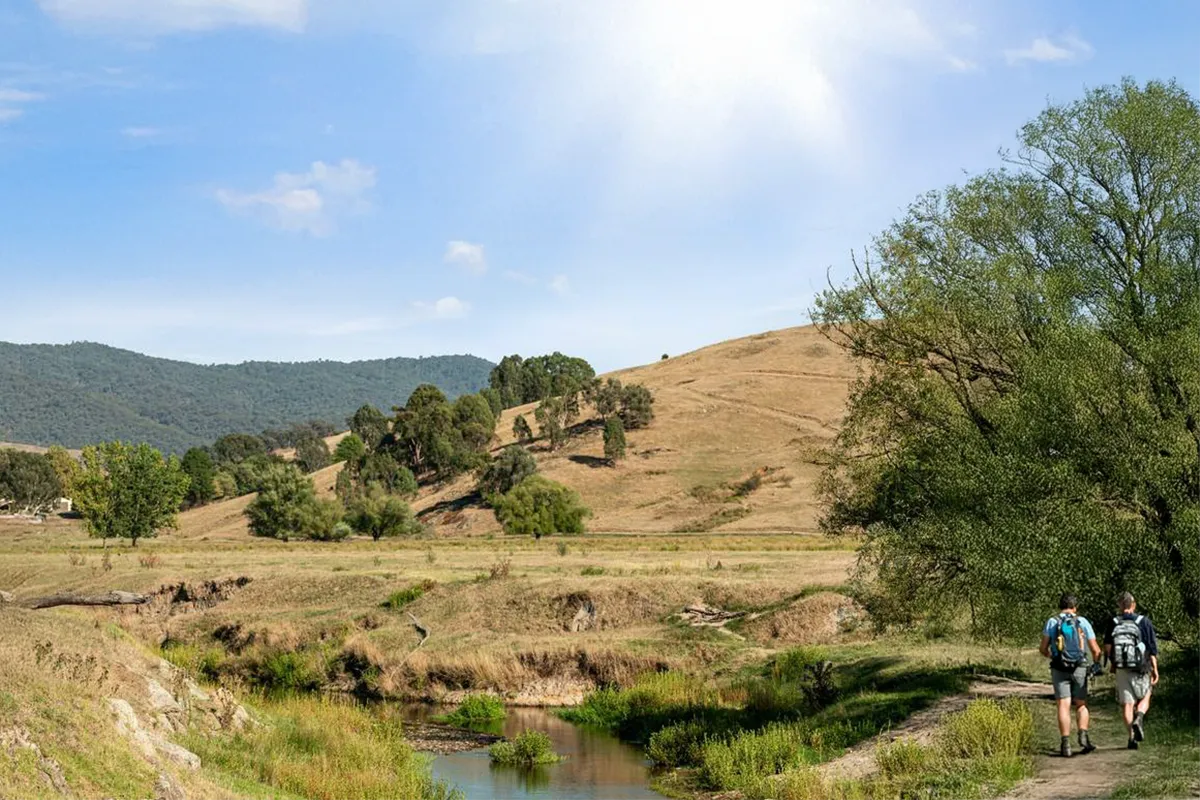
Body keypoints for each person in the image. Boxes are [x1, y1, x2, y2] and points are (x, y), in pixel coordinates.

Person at [1040, 593, 1103, 758]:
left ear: (1060, 606)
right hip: (1079, 667)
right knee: (1081, 704)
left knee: (1063, 704)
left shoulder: (1052, 622)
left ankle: (1065, 744)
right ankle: (1083, 736)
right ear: (1075, 607)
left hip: (1059, 667)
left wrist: (1053, 656)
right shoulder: (1082, 622)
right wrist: (1096, 664)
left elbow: (1043, 648)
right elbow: (1096, 650)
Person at [1104, 591, 1160, 750]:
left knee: (1127, 705)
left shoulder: (1114, 622)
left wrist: (1113, 663)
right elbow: (1151, 648)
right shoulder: (1144, 622)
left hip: (1122, 668)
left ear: (1120, 606)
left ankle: (1131, 738)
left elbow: (1108, 647)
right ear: (1133, 605)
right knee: (1146, 695)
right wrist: (1155, 668)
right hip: (1142, 667)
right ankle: (1140, 717)